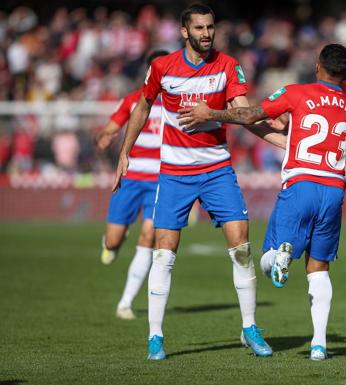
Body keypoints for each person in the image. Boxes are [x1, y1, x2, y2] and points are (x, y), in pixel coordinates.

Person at [113, 4, 284, 361]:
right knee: (164, 254)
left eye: (211, 27)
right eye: (200, 28)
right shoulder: (162, 67)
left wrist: (285, 143)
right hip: (174, 173)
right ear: (184, 31)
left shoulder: (227, 65)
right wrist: (124, 151)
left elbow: (245, 113)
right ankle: (155, 337)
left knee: (241, 247)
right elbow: (142, 107)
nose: (207, 33)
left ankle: (250, 327)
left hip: (217, 170)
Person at [177, 43, 346, 361]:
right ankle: (319, 345)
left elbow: (248, 114)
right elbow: (321, 127)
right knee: (318, 269)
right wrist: (289, 125)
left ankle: (279, 259)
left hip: (301, 184)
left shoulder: (297, 92)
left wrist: (212, 113)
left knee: (268, 258)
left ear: (318, 66)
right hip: (334, 190)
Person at [96, 50, 168, 321]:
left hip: (161, 180)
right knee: (114, 240)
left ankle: (125, 303)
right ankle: (111, 243)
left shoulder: (179, 103)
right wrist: (104, 137)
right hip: (131, 176)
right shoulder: (133, 100)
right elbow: (111, 128)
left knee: (149, 236)